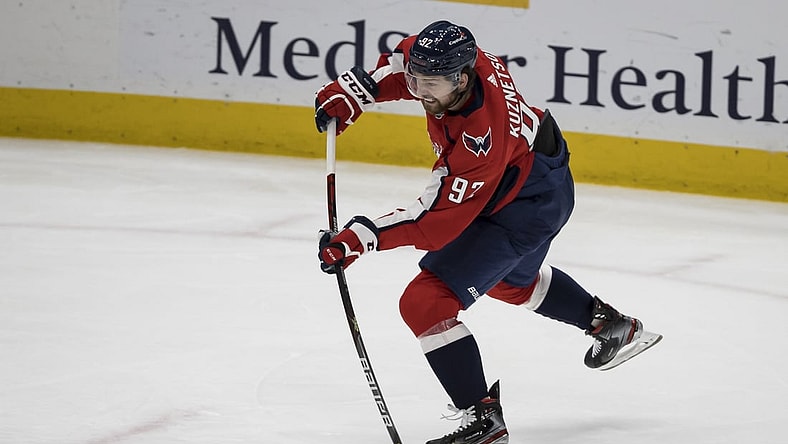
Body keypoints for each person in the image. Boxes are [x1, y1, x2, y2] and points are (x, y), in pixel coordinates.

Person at [314, 20, 661, 444]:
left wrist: (362, 237)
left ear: (461, 78)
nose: (422, 93)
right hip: (541, 178)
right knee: (509, 283)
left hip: (522, 206)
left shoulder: (482, 138)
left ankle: (484, 421)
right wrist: (359, 91)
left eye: (432, 86)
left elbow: (434, 223)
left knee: (426, 302)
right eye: (416, 82)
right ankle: (609, 325)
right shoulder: (454, 61)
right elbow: (400, 62)